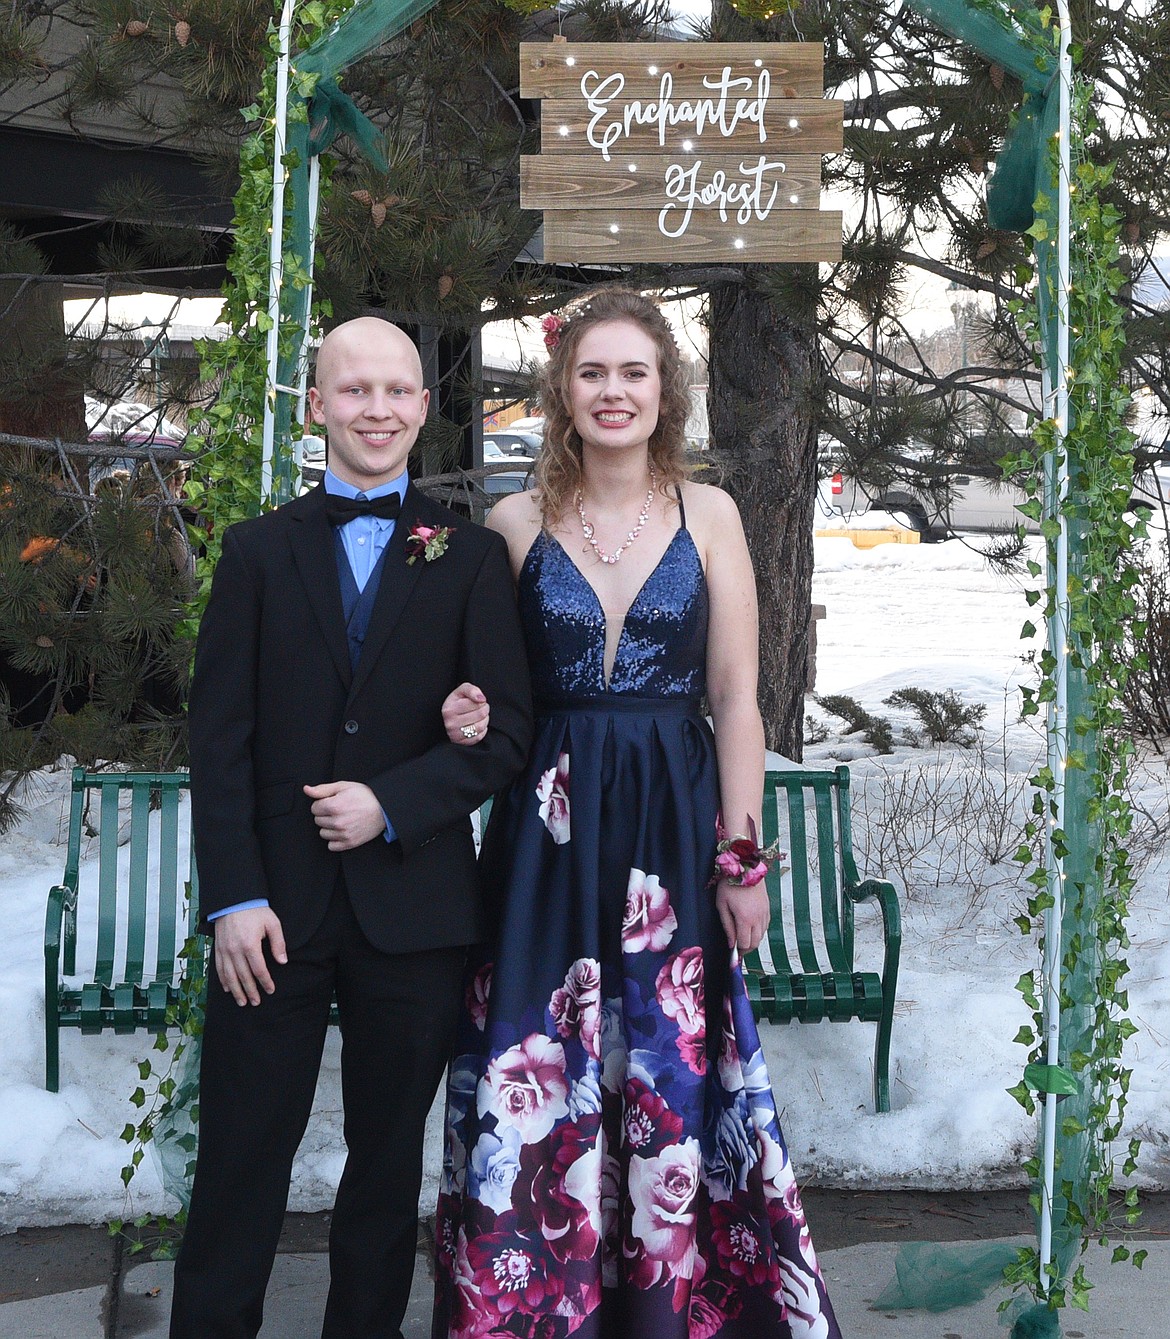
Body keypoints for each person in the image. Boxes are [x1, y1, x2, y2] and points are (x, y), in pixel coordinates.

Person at [430, 288, 842, 1338]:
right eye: (593, 373)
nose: (613, 392)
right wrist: (468, 709)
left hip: (671, 816)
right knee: (542, 1057)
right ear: (563, 393)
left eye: (634, 373)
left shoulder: (711, 516)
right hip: (547, 837)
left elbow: (739, 696)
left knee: (667, 1057)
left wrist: (740, 855)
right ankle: (531, 1309)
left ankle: (669, 1309)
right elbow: (489, 693)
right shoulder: (514, 525)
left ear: (667, 392)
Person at [170, 317, 533, 1339]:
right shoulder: (256, 551)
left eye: (397, 391)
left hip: (414, 911)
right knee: (242, 1157)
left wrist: (395, 801)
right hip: (272, 914)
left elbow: (505, 731)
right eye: (355, 390)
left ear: (423, 406)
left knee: (384, 1173)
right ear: (318, 406)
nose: (377, 410)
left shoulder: (469, 556)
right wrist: (233, 895)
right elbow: (221, 740)